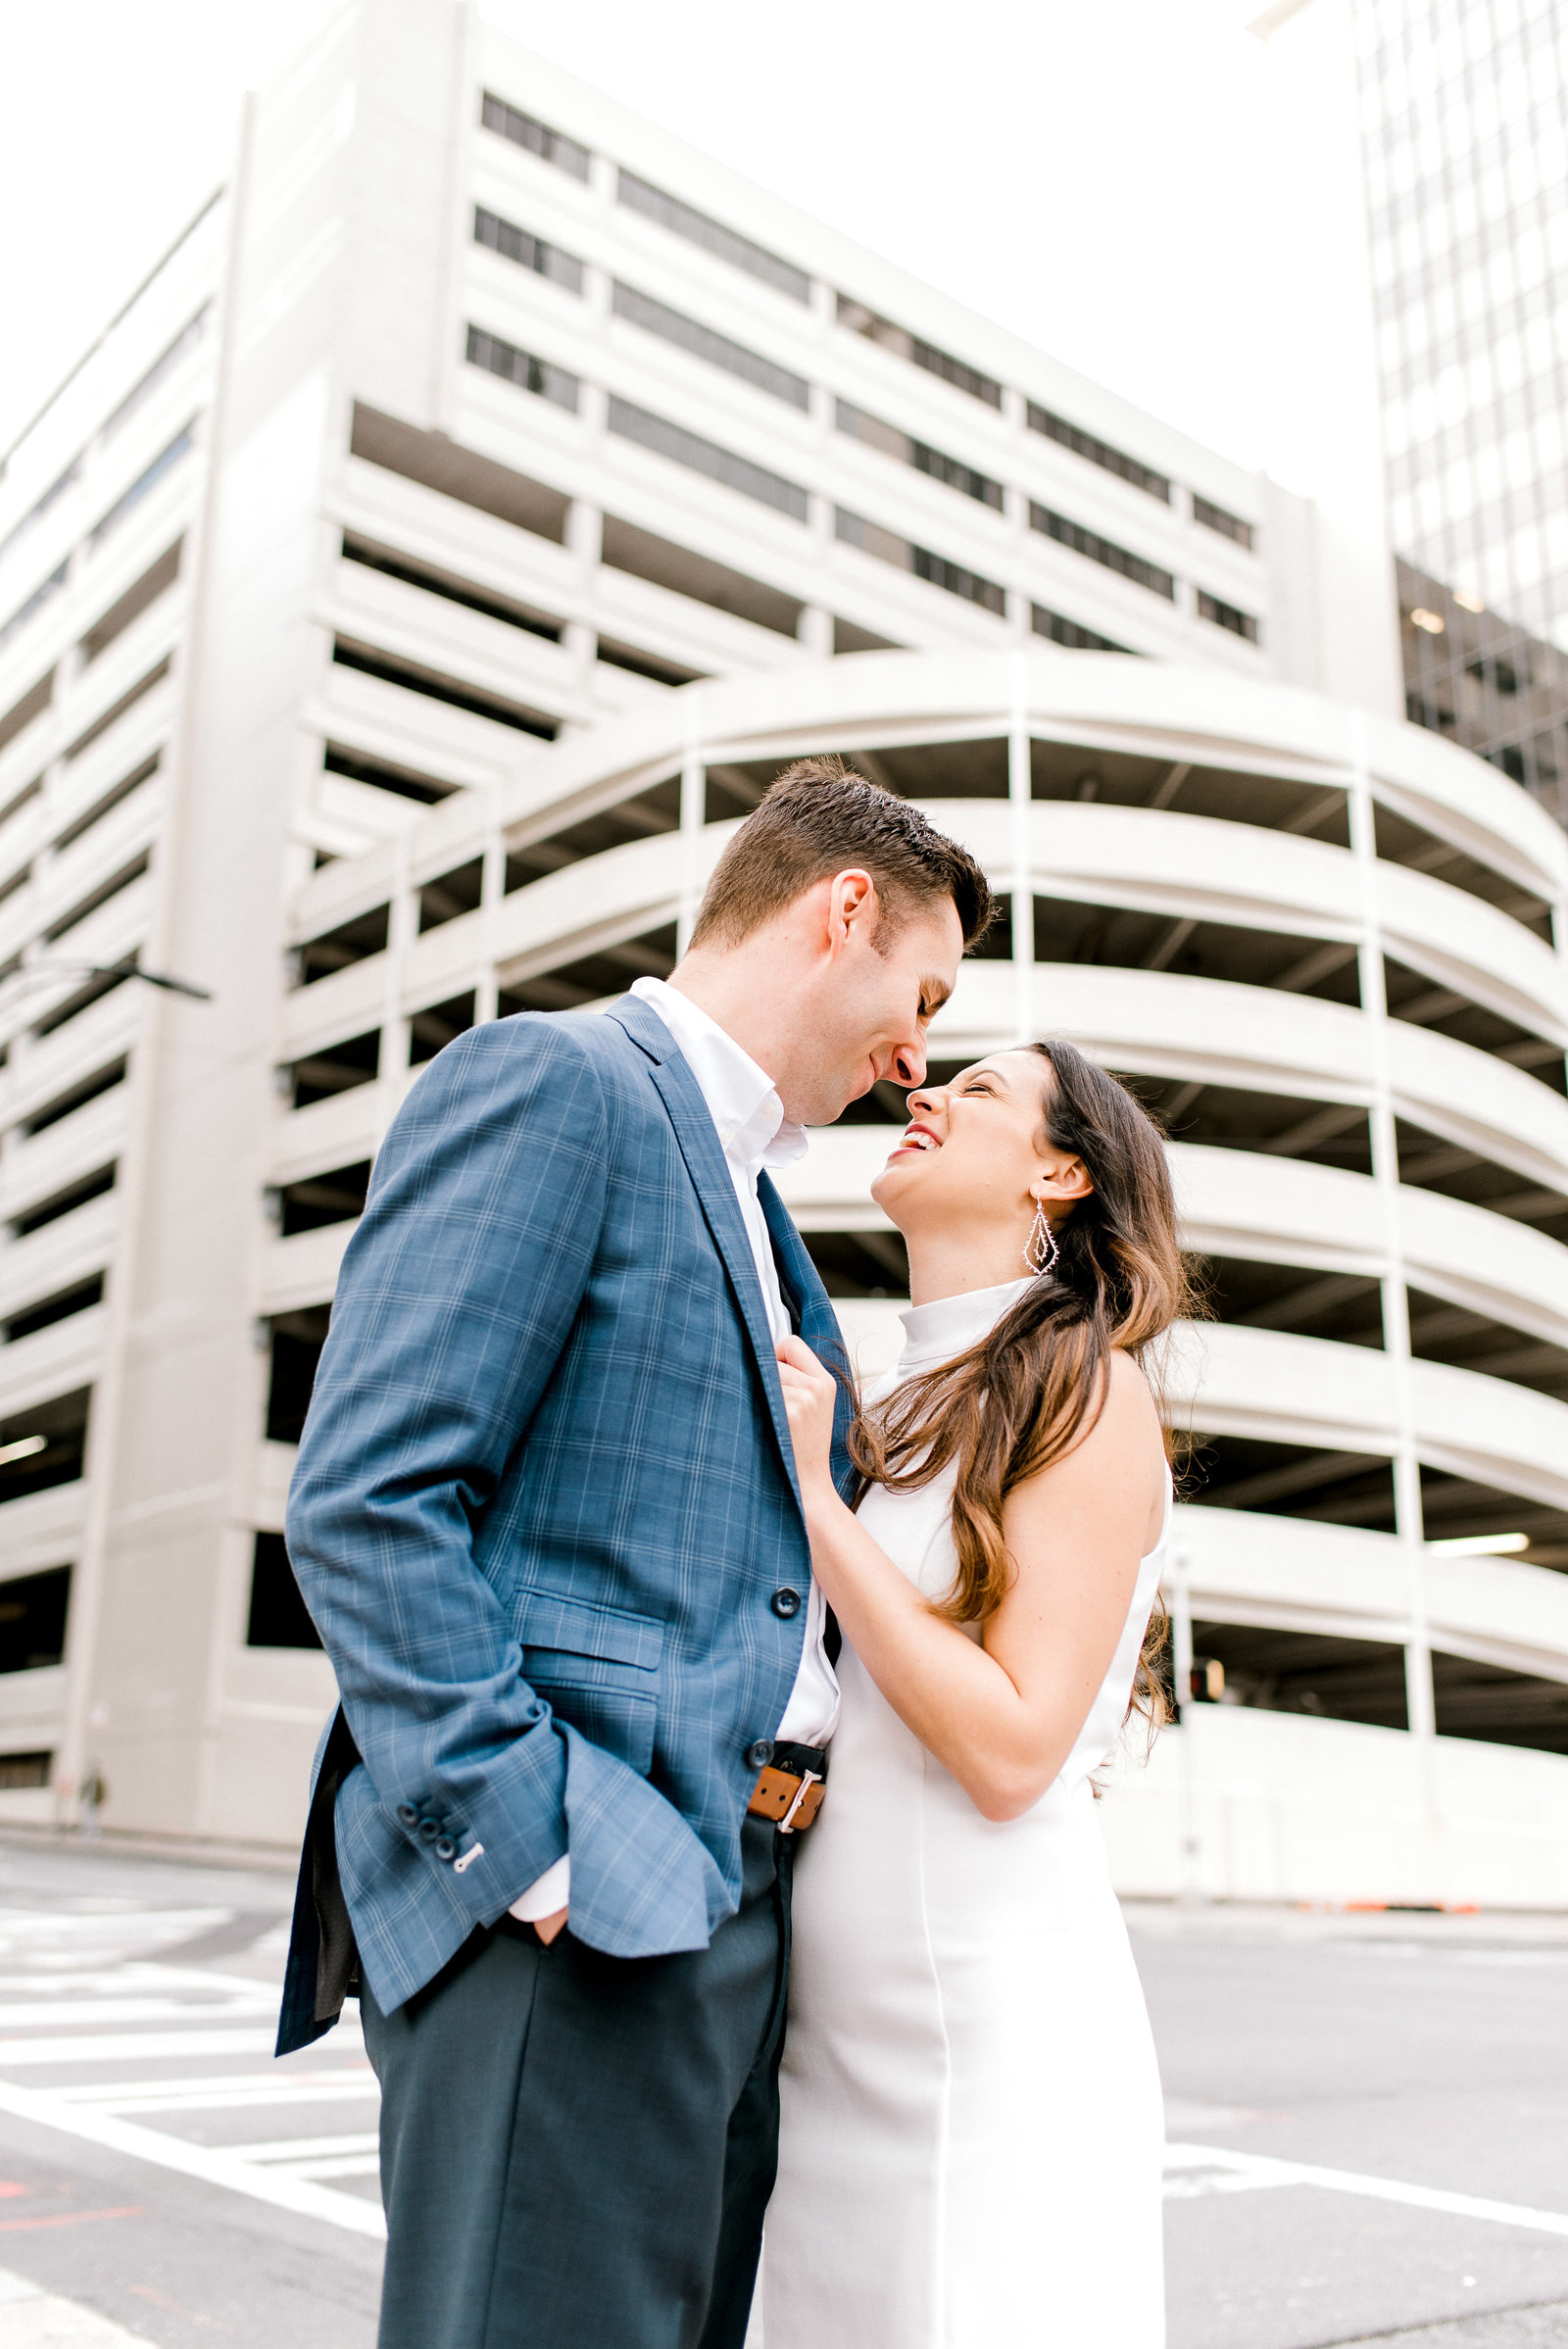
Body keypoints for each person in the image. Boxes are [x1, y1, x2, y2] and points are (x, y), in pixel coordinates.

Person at [273, 758, 993, 2349]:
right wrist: (531, 1845)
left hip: (732, 1918)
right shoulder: (557, 1083)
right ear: (844, 906)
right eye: (923, 990)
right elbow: (369, 1495)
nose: (919, 1049)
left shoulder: (761, 1203)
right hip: (584, 1897)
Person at [762, 1039, 1183, 2349]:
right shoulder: (882, 1401)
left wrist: (817, 1510)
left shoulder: (1087, 1392)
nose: (923, 1091)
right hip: (829, 2035)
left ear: (1059, 1173)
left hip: (987, 2041)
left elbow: (1010, 1749)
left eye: (979, 1089)